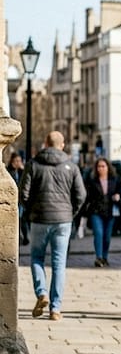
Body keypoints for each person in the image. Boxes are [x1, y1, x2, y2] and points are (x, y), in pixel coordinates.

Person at [20, 131, 86, 321]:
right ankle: (56, 309)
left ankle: (42, 292)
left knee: (37, 258)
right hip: (63, 220)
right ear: (62, 145)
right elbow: (81, 195)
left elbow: (23, 194)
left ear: (45, 143)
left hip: (39, 219)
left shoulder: (33, 165)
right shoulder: (71, 166)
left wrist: (32, 211)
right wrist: (70, 213)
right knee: (59, 263)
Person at [82, 157, 121, 268]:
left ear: (108, 167)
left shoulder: (114, 179)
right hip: (96, 211)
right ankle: (98, 257)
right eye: (99, 166)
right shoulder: (92, 181)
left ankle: (105, 257)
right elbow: (87, 195)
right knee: (98, 233)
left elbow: (120, 192)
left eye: (103, 166)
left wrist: (118, 196)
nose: (101, 168)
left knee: (107, 236)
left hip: (110, 211)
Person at [8, 152, 28, 245]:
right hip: (13, 200)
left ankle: (25, 237)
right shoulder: (9, 171)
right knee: (17, 219)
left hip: (21, 200)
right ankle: (18, 238)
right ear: (12, 161)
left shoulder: (22, 172)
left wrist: (24, 171)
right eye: (16, 161)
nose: (18, 163)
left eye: (19, 161)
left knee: (22, 219)